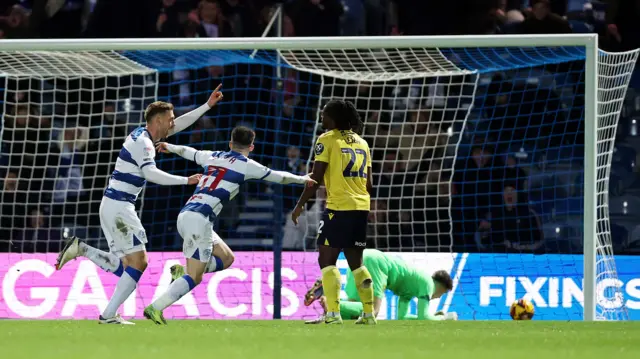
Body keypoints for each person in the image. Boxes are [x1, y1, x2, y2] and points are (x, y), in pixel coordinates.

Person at [55, 85, 224, 325]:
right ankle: (107, 315)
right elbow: (151, 173)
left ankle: (82, 250)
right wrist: (187, 180)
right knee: (139, 262)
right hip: (119, 208)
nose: (173, 124)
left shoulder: (145, 134)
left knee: (129, 266)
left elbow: (181, 123)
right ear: (158, 121)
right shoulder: (143, 144)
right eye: (170, 120)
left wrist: (207, 106)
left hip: (115, 205)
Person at [143, 126, 316, 324]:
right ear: (251, 147)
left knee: (227, 258)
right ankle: (155, 308)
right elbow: (280, 177)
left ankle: (183, 272)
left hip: (189, 216)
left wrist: (169, 146)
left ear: (230, 144)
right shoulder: (248, 165)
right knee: (195, 277)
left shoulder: (213, 156)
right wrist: (303, 179)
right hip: (199, 220)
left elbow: (190, 152)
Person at [291, 99, 375, 325]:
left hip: (338, 208)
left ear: (335, 118)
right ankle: (368, 314)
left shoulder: (326, 139)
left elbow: (315, 178)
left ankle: (333, 313)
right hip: (360, 208)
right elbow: (369, 185)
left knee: (326, 260)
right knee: (357, 263)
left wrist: (300, 205)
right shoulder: (362, 143)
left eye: (324, 114)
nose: (321, 117)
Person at [304, 249, 457, 322]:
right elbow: (424, 317)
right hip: (377, 264)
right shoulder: (428, 284)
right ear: (441, 287)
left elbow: (402, 318)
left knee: (352, 310)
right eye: (441, 294)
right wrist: (445, 318)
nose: (437, 297)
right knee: (372, 312)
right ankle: (331, 303)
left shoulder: (412, 287)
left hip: (362, 256)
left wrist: (431, 317)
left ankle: (330, 299)